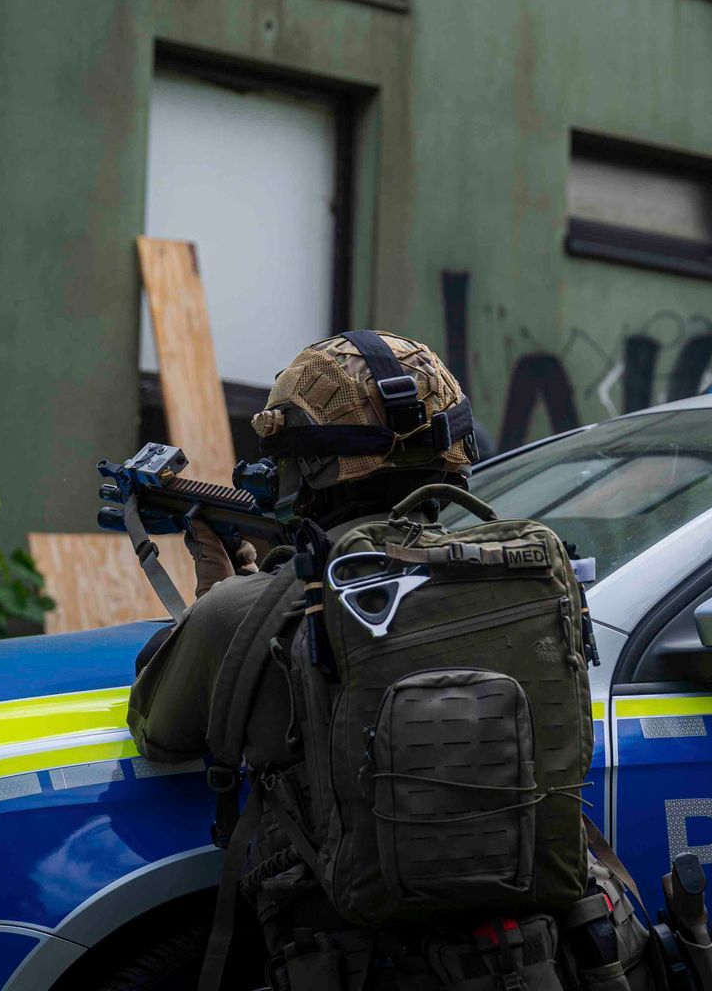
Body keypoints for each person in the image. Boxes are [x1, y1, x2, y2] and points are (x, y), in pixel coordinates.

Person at [128, 330, 480, 981]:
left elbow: (159, 728)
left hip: (355, 957)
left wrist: (223, 598)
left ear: (308, 469)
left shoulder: (246, 611)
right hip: (530, 953)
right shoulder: (523, 578)